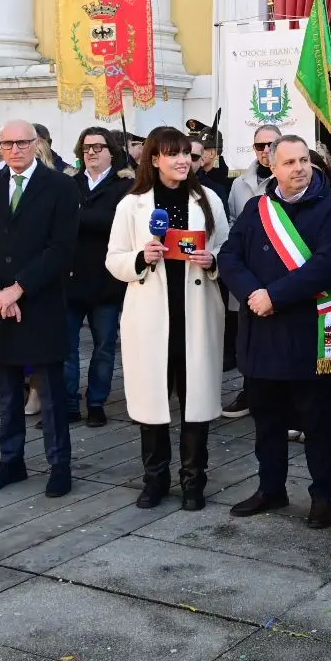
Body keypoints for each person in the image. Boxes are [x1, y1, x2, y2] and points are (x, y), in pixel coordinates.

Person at [217, 134, 331, 527]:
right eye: (289, 162)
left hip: (306, 334)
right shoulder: (258, 208)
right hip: (260, 334)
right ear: (271, 167)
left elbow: (327, 265)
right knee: (267, 421)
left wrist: (274, 295)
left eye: (303, 160)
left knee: (317, 424)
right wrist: (252, 292)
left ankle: (322, 495)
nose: (299, 168)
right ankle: (270, 488)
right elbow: (229, 255)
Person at [108, 127, 229, 510]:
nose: (182, 161)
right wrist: (141, 258)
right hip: (151, 316)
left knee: (196, 401)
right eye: (172, 154)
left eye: (187, 154)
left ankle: (194, 481)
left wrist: (214, 261)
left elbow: (227, 247)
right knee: (153, 403)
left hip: (195, 310)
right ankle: (154, 479)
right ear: (154, 159)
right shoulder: (133, 204)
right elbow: (114, 258)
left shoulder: (207, 198)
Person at [0, 120, 81, 498]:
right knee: (8, 393)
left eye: (22, 143)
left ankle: (58, 464)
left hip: (40, 303)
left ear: (36, 144)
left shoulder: (60, 186)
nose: (14, 150)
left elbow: (61, 248)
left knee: (49, 393)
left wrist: (19, 289)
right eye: (7, 143)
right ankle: (10, 461)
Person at [66, 126, 133, 426]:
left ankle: (96, 402)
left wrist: (82, 220)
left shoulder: (125, 188)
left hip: (106, 279)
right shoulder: (69, 184)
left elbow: (118, 226)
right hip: (70, 277)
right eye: (86, 147)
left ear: (111, 152)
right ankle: (68, 402)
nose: (91, 152)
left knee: (104, 346)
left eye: (98, 147)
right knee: (66, 347)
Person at [221, 123, 282, 418]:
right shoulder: (239, 183)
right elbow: (233, 222)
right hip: (248, 272)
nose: (266, 151)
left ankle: (282, 398)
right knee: (246, 335)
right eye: (260, 146)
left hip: (281, 270)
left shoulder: (290, 177)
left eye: (271, 145)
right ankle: (249, 392)